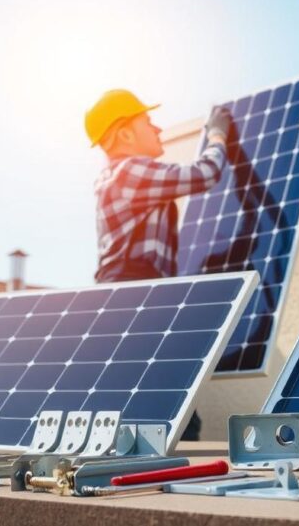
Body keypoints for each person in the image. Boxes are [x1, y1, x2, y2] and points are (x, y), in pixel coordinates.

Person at [85, 89, 233, 440]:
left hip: (125, 294)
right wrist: (217, 134)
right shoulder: (130, 171)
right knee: (172, 412)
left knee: (156, 404)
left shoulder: (114, 178)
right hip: (137, 296)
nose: (158, 128)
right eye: (148, 121)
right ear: (124, 133)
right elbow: (205, 173)